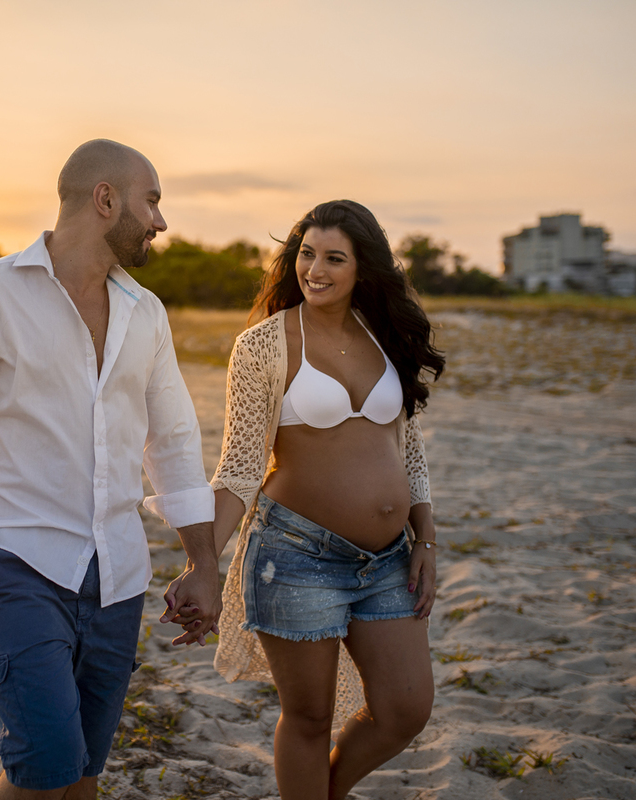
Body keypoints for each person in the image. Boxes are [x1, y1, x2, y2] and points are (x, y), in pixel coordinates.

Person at [0, 139, 221, 800]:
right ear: (105, 199)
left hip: (117, 569)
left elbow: (173, 442)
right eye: (151, 201)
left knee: (83, 770)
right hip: (14, 556)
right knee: (46, 764)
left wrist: (203, 564)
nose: (160, 221)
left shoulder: (146, 312)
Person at [199, 200, 444, 799]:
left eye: (335, 258)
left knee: (405, 709)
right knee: (309, 718)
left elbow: (408, 449)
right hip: (295, 556)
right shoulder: (263, 345)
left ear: (364, 268)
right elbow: (240, 469)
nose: (315, 270)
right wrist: (201, 563)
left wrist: (426, 539)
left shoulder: (384, 334)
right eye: (307, 254)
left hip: (388, 561)